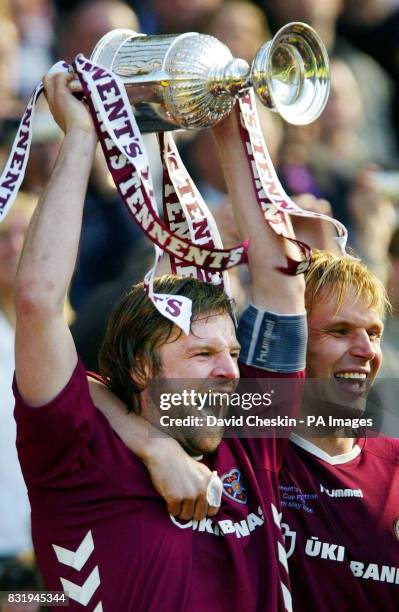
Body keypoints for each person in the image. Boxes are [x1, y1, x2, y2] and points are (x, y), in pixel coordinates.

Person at [13, 69, 307, 611]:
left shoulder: (255, 435)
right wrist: (80, 137)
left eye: (232, 354)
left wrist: (229, 120)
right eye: (201, 353)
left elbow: (282, 281)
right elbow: (36, 303)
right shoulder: (77, 454)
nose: (229, 371)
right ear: (143, 368)